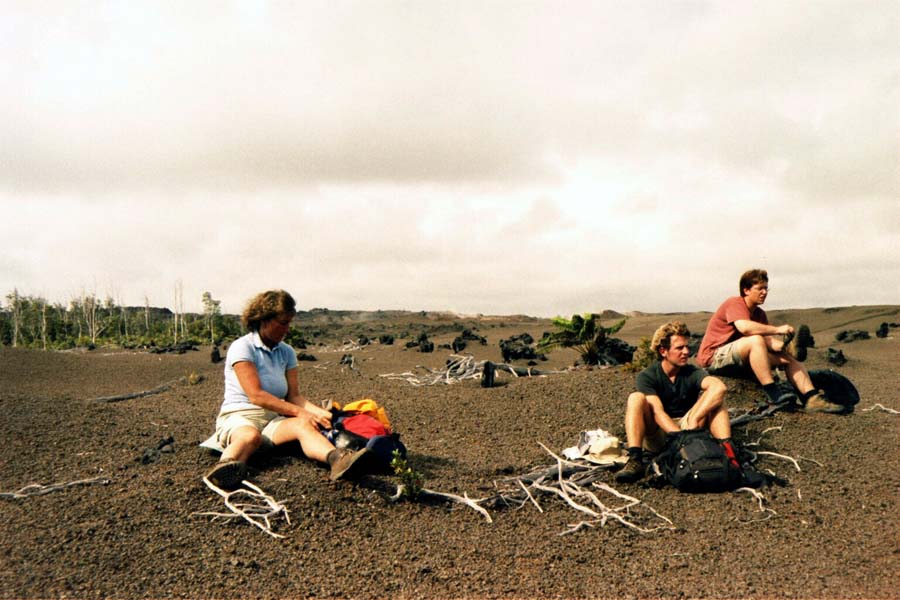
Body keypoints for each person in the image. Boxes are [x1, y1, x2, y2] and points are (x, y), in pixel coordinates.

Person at [203, 290, 367, 489]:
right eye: (283, 323)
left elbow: (294, 396)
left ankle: (338, 460)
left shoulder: (287, 352)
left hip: (273, 419)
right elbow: (256, 396)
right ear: (263, 319)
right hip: (241, 415)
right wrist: (301, 412)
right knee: (250, 436)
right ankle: (223, 469)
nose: (287, 329)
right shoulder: (242, 347)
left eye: (289, 322)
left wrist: (323, 415)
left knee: (304, 426)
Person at [697, 268, 843, 413]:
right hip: (714, 358)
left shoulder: (759, 314)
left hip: (740, 358)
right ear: (746, 290)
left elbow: (767, 342)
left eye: (766, 288)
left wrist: (786, 347)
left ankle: (811, 398)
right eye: (760, 288)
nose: (764, 292)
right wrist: (778, 329)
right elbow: (745, 328)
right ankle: (774, 394)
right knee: (755, 340)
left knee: (789, 357)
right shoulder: (735, 303)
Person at [616, 321, 739, 483]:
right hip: (659, 433)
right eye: (679, 348)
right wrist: (680, 439)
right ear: (663, 351)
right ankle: (635, 460)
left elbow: (719, 387)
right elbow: (657, 412)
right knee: (636, 398)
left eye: (687, 347)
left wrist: (694, 420)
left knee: (717, 403)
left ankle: (730, 456)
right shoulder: (648, 375)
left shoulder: (692, 372)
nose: (686, 352)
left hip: (688, 427)